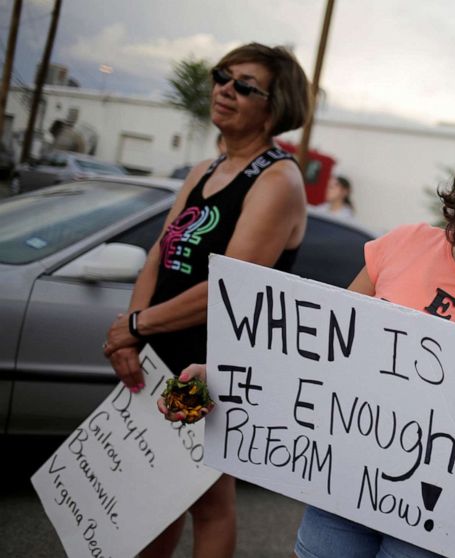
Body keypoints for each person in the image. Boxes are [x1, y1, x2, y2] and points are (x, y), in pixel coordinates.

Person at [160, 145, 455, 558]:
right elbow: (319, 351)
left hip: (431, 510)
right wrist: (222, 371)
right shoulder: (408, 243)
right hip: (341, 483)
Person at [102, 42, 312, 558]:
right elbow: (159, 253)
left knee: (206, 499)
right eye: (223, 76)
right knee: (156, 488)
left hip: (208, 366)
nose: (225, 89)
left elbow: (228, 287)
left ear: (274, 106)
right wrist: (133, 333)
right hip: (159, 355)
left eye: (245, 85)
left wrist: (137, 326)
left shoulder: (277, 179)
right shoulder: (203, 169)